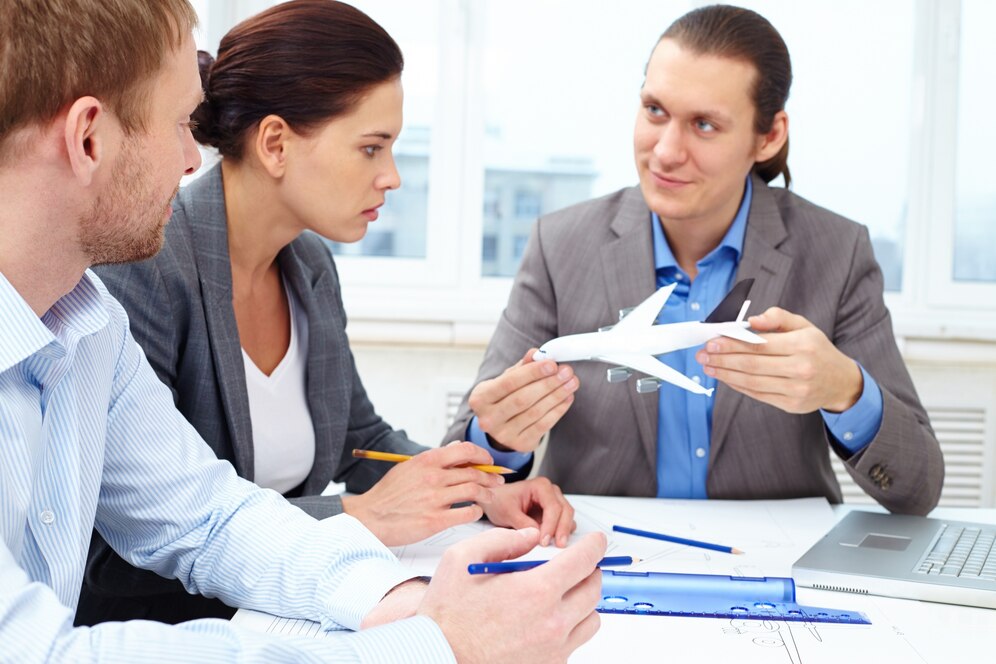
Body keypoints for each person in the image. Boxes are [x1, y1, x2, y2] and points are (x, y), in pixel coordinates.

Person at [0, 1, 605, 661]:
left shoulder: (88, 321)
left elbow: (210, 517)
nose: (189, 158)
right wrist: (429, 643)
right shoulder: (142, 277)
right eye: (178, 125)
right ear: (90, 138)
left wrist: (409, 603)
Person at [446, 4, 944, 515]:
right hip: (595, 559)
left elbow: (918, 489)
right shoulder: (561, 245)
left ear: (769, 135)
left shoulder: (836, 252)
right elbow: (458, 471)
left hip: (776, 566)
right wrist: (500, 438)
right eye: (655, 110)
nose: (665, 151)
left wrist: (845, 388)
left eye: (704, 125)